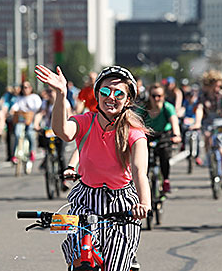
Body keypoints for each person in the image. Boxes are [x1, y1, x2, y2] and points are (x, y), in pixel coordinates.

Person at [35, 64, 151, 271]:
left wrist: (144, 203)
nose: (111, 97)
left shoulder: (134, 133)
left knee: (117, 264)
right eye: (105, 91)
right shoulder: (86, 121)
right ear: (97, 95)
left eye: (119, 94)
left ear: (128, 100)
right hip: (86, 198)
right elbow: (62, 131)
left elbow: (139, 171)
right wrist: (61, 94)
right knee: (80, 257)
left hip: (122, 202)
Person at [192, 69, 222, 191]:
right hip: (208, 121)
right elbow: (199, 109)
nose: (218, 87)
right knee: (208, 138)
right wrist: (197, 122)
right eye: (217, 85)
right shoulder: (202, 96)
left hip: (221, 122)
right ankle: (210, 160)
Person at [137, 83, 182, 193]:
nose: (156, 99)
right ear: (149, 96)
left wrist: (176, 135)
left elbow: (174, 122)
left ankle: (166, 180)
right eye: (153, 96)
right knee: (142, 160)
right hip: (148, 136)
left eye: (159, 96)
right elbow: (136, 122)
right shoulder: (144, 108)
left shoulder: (167, 107)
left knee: (165, 156)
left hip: (163, 135)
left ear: (163, 96)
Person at [9, 81, 42, 167]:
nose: (25, 89)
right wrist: (12, 111)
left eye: (26, 87)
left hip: (31, 119)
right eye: (23, 87)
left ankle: (32, 151)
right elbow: (15, 106)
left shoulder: (35, 97)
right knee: (17, 134)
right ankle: (15, 154)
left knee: (30, 134)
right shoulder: (19, 98)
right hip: (21, 119)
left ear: (30, 88)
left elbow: (38, 108)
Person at [1, 84, 21, 161]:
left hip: (21, 117)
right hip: (11, 117)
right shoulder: (8, 96)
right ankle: (11, 154)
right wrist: (5, 113)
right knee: (10, 136)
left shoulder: (21, 96)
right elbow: (5, 105)